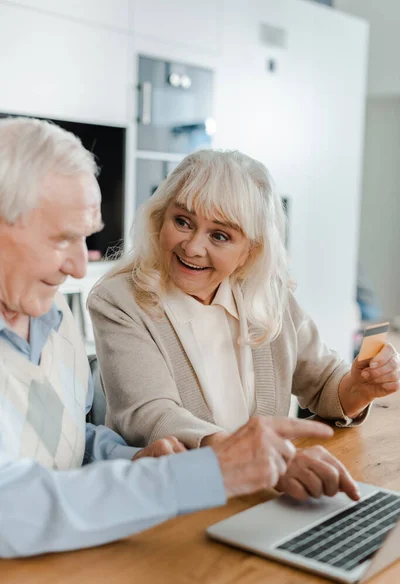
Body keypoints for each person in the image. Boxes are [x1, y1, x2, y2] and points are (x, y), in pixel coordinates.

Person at [0, 117, 337, 559]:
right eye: (62, 239)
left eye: (86, 239)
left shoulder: (52, 315)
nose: (80, 268)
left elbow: (60, 439)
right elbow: (11, 507)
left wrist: (128, 460)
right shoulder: (100, 301)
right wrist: (201, 474)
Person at [89, 149, 400, 503]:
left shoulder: (267, 295)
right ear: (160, 218)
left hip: (260, 494)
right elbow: (149, 414)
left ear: (250, 252)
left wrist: (358, 387)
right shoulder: (119, 300)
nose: (192, 247)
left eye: (220, 236)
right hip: (172, 500)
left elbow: (324, 380)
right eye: (183, 221)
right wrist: (256, 458)